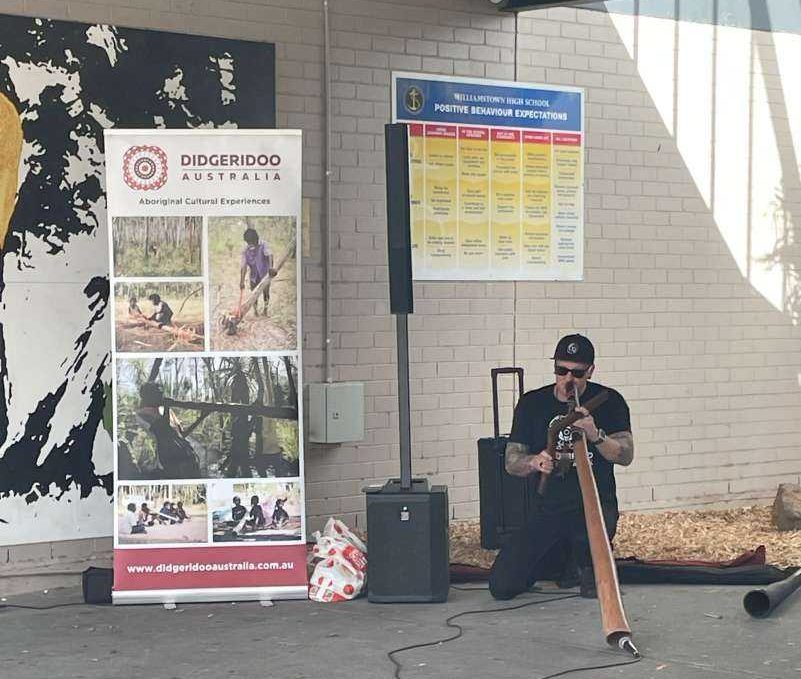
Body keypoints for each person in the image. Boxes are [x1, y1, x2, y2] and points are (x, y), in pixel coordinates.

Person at [489, 334, 634, 601]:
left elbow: (625, 455)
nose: (569, 379)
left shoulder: (609, 401)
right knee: (503, 585)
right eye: (561, 370)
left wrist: (595, 435)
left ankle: (582, 562)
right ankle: (565, 561)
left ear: (590, 370)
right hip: (549, 508)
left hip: (594, 508)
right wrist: (534, 461)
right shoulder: (532, 404)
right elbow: (511, 461)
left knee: (594, 590)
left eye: (577, 373)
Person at [239, 227, 277, 316]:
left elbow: (270, 255)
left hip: (265, 273)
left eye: (252, 243)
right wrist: (241, 281)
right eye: (249, 243)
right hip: (254, 275)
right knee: (254, 293)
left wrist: (271, 268)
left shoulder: (263, 245)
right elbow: (243, 266)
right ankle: (255, 311)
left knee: (266, 292)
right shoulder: (245, 250)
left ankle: (265, 309)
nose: (250, 245)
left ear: (256, 239)